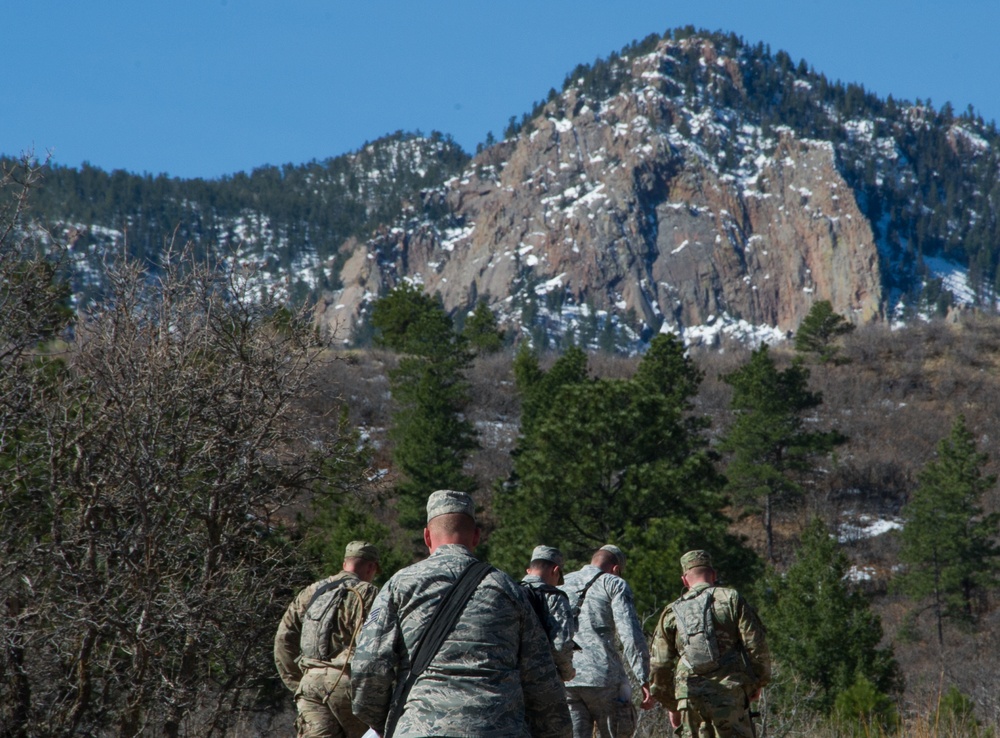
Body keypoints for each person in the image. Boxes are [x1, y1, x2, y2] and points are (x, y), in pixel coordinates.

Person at [350, 489, 571, 738]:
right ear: (476, 536)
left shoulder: (399, 585)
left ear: (426, 537)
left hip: (419, 727)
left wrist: (383, 722)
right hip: (498, 729)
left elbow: (369, 664)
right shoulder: (508, 588)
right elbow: (541, 676)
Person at [650, 550, 771, 738]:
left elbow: (659, 665)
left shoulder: (671, 612)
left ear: (684, 580)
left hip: (689, 698)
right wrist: (757, 683)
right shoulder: (732, 599)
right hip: (729, 693)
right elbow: (756, 645)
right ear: (713, 575)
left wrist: (672, 706)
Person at [274, 541, 382, 738]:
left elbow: (284, 637)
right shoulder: (368, 592)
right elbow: (375, 645)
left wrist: (297, 682)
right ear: (371, 567)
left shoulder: (311, 591)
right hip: (348, 684)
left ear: (345, 564)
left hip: (310, 685)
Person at [559, 544, 653, 738]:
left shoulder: (563, 582)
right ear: (616, 569)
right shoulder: (614, 583)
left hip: (566, 678)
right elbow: (630, 634)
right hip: (604, 678)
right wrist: (643, 677)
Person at [521, 545, 576, 681]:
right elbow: (561, 645)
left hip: (511, 678)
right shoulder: (554, 596)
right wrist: (568, 673)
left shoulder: (511, 590)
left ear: (529, 571)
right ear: (555, 570)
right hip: (542, 677)